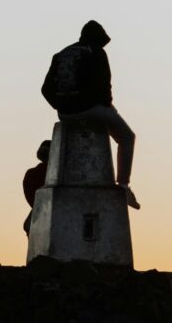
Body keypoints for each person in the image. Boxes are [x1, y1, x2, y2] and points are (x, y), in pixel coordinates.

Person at [40, 18, 138, 207]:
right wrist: (107, 107)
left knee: (108, 117)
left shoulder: (60, 54)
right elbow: (104, 86)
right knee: (126, 136)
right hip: (91, 109)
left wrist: (60, 105)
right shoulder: (96, 53)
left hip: (65, 113)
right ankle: (124, 186)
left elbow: (45, 89)